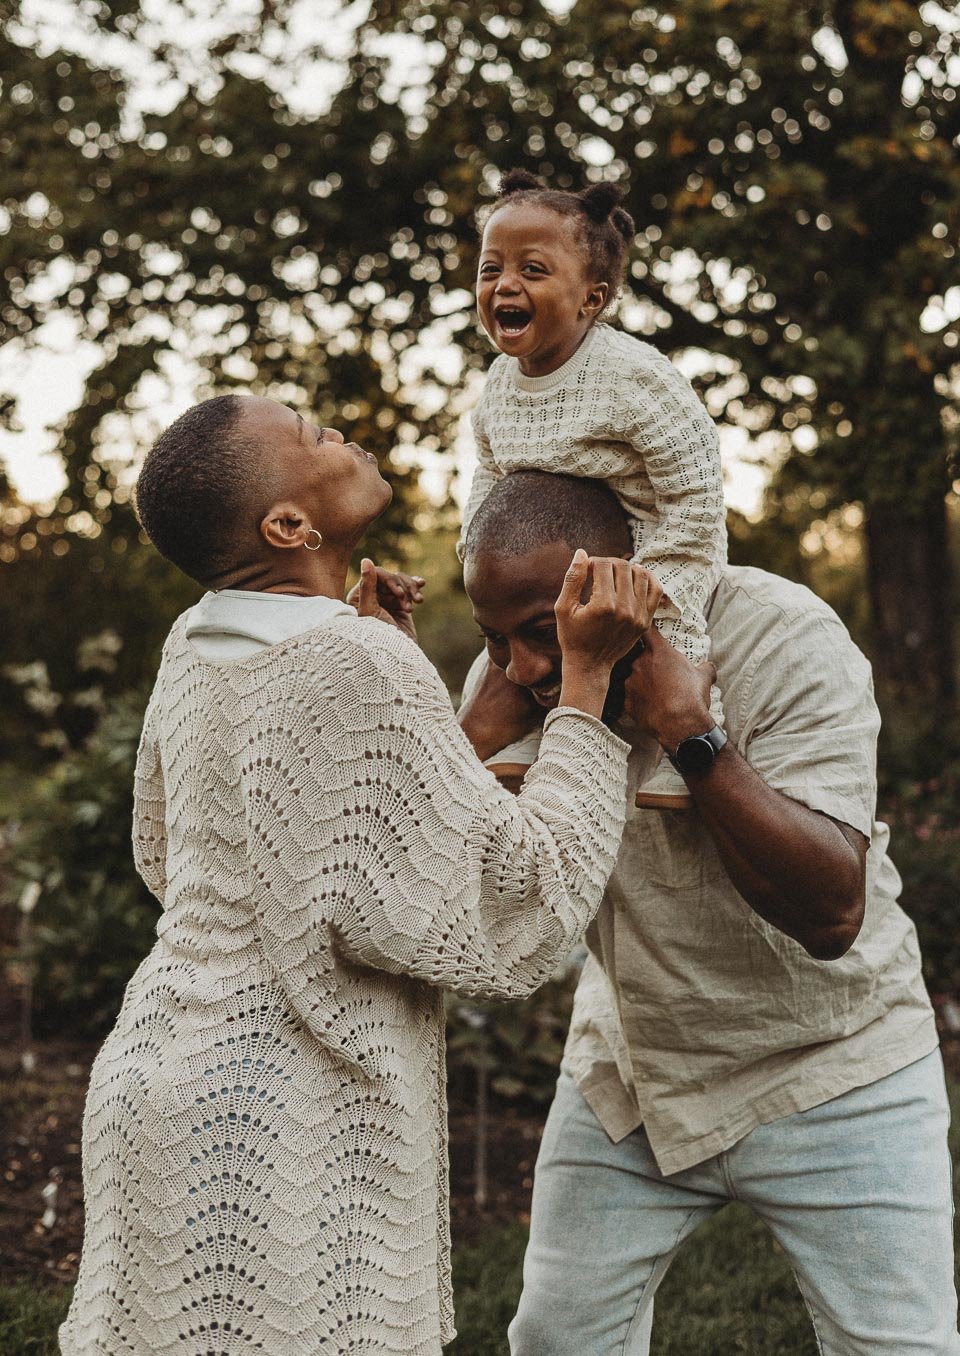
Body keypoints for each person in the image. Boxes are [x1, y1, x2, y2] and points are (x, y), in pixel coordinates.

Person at [58, 395, 663, 1356]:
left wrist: (407, 711)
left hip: (153, 1081)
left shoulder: (198, 639)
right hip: (286, 1113)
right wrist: (587, 683)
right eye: (309, 437)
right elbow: (518, 913)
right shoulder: (353, 657)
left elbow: (182, 852)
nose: (337, 432)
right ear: (288, 527)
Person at [459, 470, 960, 1356]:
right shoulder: (514, 684)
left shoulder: (783, 634)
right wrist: (467, 744)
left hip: (833, 1065)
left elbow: (832, 913)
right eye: (496, 639)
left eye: (543, 632)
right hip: (634, 1069)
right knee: (556, 1340)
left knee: (898, 1346)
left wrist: (691, 734)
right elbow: (470, 901)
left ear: (634, 577)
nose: (524, 667)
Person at [458, 168, 728, 805]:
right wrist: (475, 545)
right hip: (551, 552)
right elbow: (491, 473)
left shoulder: (631, 376)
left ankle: (680, 742)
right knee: (514, 639)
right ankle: (534, 736)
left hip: (657, 535)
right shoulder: (499, 382)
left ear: (592, 300)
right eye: (490, 268)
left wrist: (656, 569)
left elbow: (692, 481)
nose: (505, 285)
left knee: (664, 632)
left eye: (532, 269)